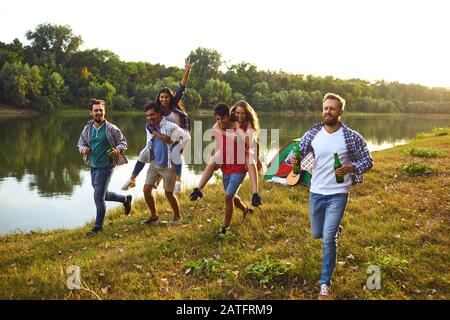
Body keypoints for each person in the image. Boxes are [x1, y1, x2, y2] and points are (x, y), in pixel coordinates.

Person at [288, 93, 373, 300]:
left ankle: (325, 283)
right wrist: (293, 159)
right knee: (317, 233)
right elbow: (297, 153)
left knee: (327, 240)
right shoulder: (313, 133)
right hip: (316, 192)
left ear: (341, 112)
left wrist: (351, 168)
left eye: (332, 108)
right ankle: (334, 230)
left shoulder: (351, 137)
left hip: (338, 193)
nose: (328, 112)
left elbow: (368, 161)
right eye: (325, 108)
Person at [122, 59, 192, 194]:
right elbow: (149, 124)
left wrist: (187, 71)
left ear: (170, 98)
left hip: (180, 135)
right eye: (161, 97)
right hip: (162, 135)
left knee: (175, 155)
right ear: (159, 98)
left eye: (166, 97)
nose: (164, 99)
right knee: (146, 153)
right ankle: (133, 179)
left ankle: (178, 181)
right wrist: (159, 136)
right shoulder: (157, 109)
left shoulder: (174, 105)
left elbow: (181, 88)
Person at [193, 103, 253, 235]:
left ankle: (225, 228)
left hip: (239, 167)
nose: (220, 122)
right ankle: (245, 211)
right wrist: (217, 160)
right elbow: (219, 145)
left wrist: (255, 159)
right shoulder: (217, 127)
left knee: (228, 197)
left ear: (229, 116)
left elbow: (248, 142)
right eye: (218, 119)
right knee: (232, 196)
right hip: (226, 167)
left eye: (223, 119)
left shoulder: (239, 126)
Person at [189, 100, 262, 207]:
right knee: (213, 159)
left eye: (243, 113)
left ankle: (255, 194)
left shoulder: (247, 123)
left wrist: (257, 158)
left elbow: (253, 143)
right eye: (237, 113)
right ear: (233, 113)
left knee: (250, 160)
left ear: (247, 114)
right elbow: (217, 137)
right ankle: (198, 189)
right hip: (229, 155)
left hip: (245, 151)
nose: (240, 115)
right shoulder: (224, 122)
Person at [77, 98, 132, 236]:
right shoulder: (87, 128)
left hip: (107, 166)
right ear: (91, 112)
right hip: (93, 165)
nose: (98, 113)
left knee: (98, 198)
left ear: (104, 111)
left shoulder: (111, 128)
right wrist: (83, 149)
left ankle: (98, 227)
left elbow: (123, 143)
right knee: (103, 194)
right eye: (96, 110)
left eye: (101, 110)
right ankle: (125, 200)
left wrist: (117, 150)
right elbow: (80, 143)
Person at [139, 102, 191, 225]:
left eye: (152, 115)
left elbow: (187, 137)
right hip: (155, 163)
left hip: (169, 165)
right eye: (147, 115)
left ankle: (177, 216)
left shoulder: (171, 126)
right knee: (146, 189)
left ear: (159, 113)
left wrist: (178, 150)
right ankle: (154, 215)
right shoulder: (149, 126)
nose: (149, 118)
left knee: (168, 193)